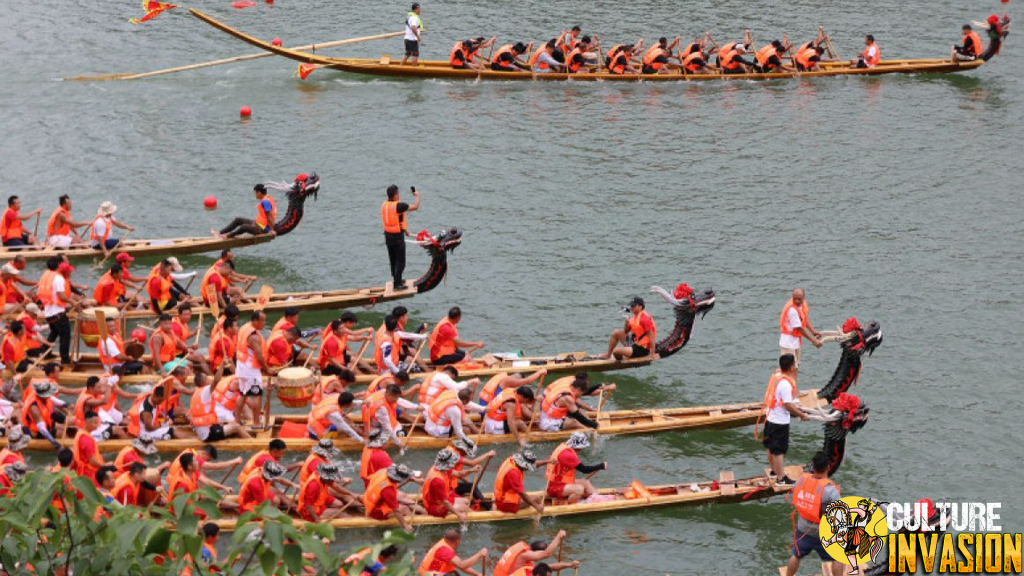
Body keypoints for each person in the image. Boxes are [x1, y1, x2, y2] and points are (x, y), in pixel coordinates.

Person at [785, 451, 843, 576]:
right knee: (839, 557)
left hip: (803, 528)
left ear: (813, 467)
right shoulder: (830, 491)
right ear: (828, 467)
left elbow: (796, 494)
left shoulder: (800, 482)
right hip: (823, 532)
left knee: (796, 555)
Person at [762, 354, 809, 486]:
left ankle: (774, 471)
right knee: (779, 451)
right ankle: (781, 479)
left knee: (770, 447)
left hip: (770, 417)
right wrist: (801, 415)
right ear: (792, 367)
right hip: (779, 422)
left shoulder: (777, 376)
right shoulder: (786, 384)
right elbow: (788, 405)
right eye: (794, 364)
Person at [236, 310, 273, 428]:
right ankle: (256, 423)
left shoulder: (244, 327)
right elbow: (259, 356)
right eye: (262, 321)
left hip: (241, 366)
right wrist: (267, 369)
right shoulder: (254, 337)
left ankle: (237, 420)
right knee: (257, 395)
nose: (264, 323)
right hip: (251, 369)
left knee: (242, 394)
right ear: (255, 321)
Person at [538, 374, 614, 432]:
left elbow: (585, 392)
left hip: (548, 412)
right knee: (575, 422)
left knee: (580, 411)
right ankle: (589, 432)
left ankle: (588, 424)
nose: (580, 396)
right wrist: (594, 425)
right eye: (581, 394)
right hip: (548, 422)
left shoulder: (571, 383)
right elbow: (577, 416)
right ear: (578, 389)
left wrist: (599, 386)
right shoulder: (568, 398)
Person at [545, 432, 606, 504]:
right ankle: (569, 503)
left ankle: (598, 499)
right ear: (579, 447)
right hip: (555, 488)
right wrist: (600, 466)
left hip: (559, 482)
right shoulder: (568, 455)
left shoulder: (563, 447)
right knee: (580, 489)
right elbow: (584, 469)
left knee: (585, 482)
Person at [382, 185, 421, 290]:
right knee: (401, 261)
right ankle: (397, 285)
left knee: (393, 259)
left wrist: (405, 230)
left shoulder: (385, 205)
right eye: (398, 193)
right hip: (397, 238)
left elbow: (395, 220)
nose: (399, 195)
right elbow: (415, 207)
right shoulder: (399, 206)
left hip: (388, 236)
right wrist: (417, 196)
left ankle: (397, 279)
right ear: (395, 195)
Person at [191, 372, 250, 442]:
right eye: (207, 378)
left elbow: (190, 415)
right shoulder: (206, 391)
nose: (210, 379)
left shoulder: (197, 392)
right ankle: (253, 443)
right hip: (208, 434)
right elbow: (216, 380)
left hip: (206, 429)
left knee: (232, 423)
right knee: (236, 426)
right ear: (205, 381)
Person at [363, 463, 423, 530]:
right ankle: (416, 523)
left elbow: (393, 487)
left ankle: (419, 512)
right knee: (404, 508)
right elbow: (396, 511)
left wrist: (413, 480)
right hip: (376, 511)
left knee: (401, 498)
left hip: (371, 498)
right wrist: (405, 525)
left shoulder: (383, 471)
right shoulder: (388, 491)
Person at [421, 448, 473, 521]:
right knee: (465, 508)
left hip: (438, 499)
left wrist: (472, 470)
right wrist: (459, 515)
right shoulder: (437, 481)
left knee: (466, 501)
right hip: (434, 506)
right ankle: (473, 518)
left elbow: (458, 474)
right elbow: (445, 502)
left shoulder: (441, 468)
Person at [599, 296, 657, 361]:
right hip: (635, 342)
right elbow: (626, 331)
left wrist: (652, 353)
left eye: (633, 306)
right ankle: (608, 355)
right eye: (631, 306)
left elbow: (651, 336)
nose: (631, 308)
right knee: (616, 332)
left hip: (642, 348)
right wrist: (626, 323)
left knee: (616, 351)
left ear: (640, 306)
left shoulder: (644, 319)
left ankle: (621, 361)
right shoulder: (634, 317)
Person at [39, 257, 74, 364]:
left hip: (48, 312)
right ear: (59, 265)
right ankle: (65, 359)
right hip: (57, 313)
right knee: (65, 335)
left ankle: (46, 352)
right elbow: (62, 296)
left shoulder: (45, 274)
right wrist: (73, 302)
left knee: (54, 332)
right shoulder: (58, 278)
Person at [493, 532, 575, 576]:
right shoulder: (525, 555)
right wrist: (558, 536)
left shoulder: (523, 551)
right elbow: (546, 554)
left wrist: (569, 565)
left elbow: (547, 568)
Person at [447, 438, 497, 510]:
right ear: (462, 449)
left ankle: (482, 502)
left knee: (469, 485)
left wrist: (464, 480)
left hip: (449, 483)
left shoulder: (450, 450)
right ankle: (488, 507)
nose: (466, 454)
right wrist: (487, 454)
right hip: (448, 487)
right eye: (466, 452)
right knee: (470, 486)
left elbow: (453, 471)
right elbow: (472, 463)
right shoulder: (454, 455)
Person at [779, 288, 822, 367]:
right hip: (788, 343)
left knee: (796, 366)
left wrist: (813, 331)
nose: (797, 301)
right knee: (790, 369)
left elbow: (804, 319)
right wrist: (813, 340)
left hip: (795, 342)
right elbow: (800, 328)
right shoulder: (792, 310)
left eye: (799, 299)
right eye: (795, 299)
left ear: (803, 298)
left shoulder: (802, 305)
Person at [418, 528, 488, 576]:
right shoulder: (445, 551)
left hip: (427, 573)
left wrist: (477, 574)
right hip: (428, 574)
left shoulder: (444, 543)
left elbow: (460, 565)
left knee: (454, 573)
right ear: (457, 541)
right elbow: (462, 565)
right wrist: (479, 554)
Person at [21, 379, 68, 448]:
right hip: (37, 432)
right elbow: (42, 429)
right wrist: (54, 442)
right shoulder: (34, 409)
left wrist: (66, 405)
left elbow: (53, 399)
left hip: (46, 424)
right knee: (62, 433)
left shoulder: (42, 396)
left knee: (65, 429)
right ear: (43, 396)